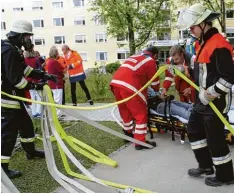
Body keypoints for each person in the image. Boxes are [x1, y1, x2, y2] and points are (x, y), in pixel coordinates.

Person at [177, 3, 234, 186]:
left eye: (192, 27)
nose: (190, 31)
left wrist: (209, 94)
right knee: (193, 130)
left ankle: (225, 176)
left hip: (216, 102)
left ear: (203, 24)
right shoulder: (202, 43)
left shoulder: (219, 44)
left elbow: (228, 78)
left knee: (215, 139)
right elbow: (204, 74)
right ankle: (206, 166)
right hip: (202, 101)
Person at [1, 20, 57, 178]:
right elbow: (16, 80)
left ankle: (30, 152)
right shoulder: (8, 51)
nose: (30, 41)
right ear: (19, 36)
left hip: (15, 98)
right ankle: (3, 168)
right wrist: (35, 87)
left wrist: (43, 75)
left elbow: (24, 69)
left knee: (26, 126)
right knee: (8, 134)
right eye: (28, 37)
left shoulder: (14, 49)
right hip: (7, 98)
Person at [110, 46, 160, 150]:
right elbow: (155, 81)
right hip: (129, 86)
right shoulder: (150, 61)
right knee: (141, 114)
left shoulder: (135, 56)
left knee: (125, 111)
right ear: (155, 55)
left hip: (116, 84)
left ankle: (128, 134)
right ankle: (140, 142)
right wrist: (156, 91)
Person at [47, 46, 66, 118]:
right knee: (58, 99)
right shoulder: (55, 62)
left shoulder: (49, 61)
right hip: (57, 83)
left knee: (56, 98)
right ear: (55, 53)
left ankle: (59, 113)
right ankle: (58, 114)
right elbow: (63, 70)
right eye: (57, 52)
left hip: (52, 83)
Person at [24, 49, 43, 118]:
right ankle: (39, 112)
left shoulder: (24, 60)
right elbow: (40, 69)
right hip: (36, 81)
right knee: (39, 97)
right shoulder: (36, 59)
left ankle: (34, 112)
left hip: (28, 81)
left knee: (32, 97)